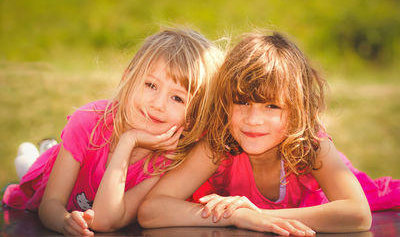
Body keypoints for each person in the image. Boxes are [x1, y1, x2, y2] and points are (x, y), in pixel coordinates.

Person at [139, 32, 398, 234]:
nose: (254, 120)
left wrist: (260, 216)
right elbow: (152, 210)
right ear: (225, 102)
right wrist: (238, 216)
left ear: (297, 110)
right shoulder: (219, 144)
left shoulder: (311, 145)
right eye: (242, 102)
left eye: (272, 106)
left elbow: (358, 214)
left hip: (343, 201)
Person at [2, 27, 223, 236]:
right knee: (32, 176)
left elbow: (104, 221)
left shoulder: (169, 158)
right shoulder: (88, 121)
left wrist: (128, 143)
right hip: (55, 182)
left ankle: (42, 151)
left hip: (92, 199)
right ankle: (37, 157)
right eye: (150, 85)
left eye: (177, 98)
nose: (158, 104)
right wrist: (64, 222)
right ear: (127, 79)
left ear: (193, 116)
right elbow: (50, 204)